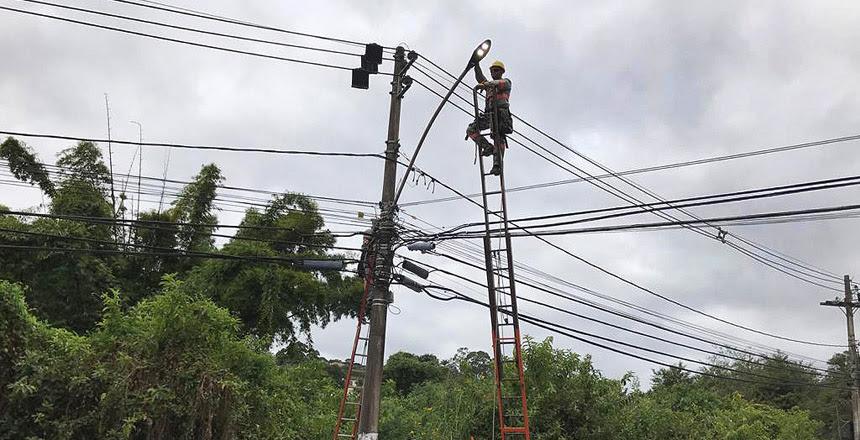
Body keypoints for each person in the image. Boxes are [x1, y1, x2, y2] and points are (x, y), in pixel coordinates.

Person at [466, 60, 512, 176]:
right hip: (488, 115)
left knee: (498, 137)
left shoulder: (505, 82)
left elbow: (500, 83)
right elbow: (480, 78)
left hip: (501, 114)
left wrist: (485, 85)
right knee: (471, 129)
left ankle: (497, 165)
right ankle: (487, 147)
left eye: (496, 70)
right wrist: (476, 64)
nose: (493, 72)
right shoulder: (489, 86)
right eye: (491, 70)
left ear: (501, 71)